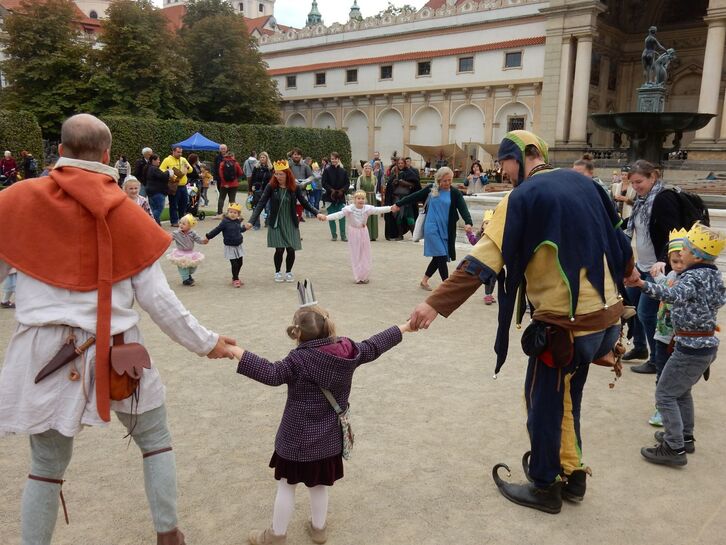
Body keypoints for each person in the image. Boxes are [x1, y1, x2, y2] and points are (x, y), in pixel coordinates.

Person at [0, 113, 236, 545]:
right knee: (156, 441)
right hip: (117, 351)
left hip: (41, 354)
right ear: (108, 155)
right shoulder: (127, 214)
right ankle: (169, 535)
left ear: (61, 150)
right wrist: (208, 344)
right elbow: (160, 302)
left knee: (46, 468)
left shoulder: (15, 201)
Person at [408, 130, 633, 514]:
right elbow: (621, 245)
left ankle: (546, 486)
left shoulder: (523, 197)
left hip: (564, 330)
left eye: (506, 162)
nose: (503, 170)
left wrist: (433, 304)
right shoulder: (587, 184)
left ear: (527, 155)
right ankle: (573, 474)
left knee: (542, 403)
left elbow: (481, 262)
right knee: (567, 400)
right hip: (607, 324)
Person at [229, 301, 412, 545]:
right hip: (328, 438)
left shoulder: (297, 360)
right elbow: (375, 345)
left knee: (286, 485)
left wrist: (236, 351)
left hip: (295, 439)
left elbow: (272, 374)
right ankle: (318, 529)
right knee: (319, 486)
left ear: (298, 334)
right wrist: (405, 327)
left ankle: (276, 535)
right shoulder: (349, 350)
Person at [625, 223, 726, 466]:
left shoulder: (692, 276)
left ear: (698, 255)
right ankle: (685, 437)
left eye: (687, 249)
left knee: (665, 394)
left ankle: (674, 447)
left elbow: (672, 295)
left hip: (690, 348)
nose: (681, 253)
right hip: (705, 345)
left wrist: (641, 284)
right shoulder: (713, 275)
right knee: (681, 391)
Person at [623, 159, 686, 374]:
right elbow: (633, 225)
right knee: (630, 305)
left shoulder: (662, 199)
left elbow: (674, 231)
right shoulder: (642, 201)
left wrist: (664, 260)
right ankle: (640, 347)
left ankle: (657, 359)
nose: (636, 186)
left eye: (639, 181)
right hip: (642, 264)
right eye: (632, 182)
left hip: (658, 268)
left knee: (647, 313)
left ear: (653, 177)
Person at [391, 167, 472, 290]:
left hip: (446, 229)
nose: (448, 183)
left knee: (439, 256)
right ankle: (447, 286)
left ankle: (424, 281)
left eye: (450, 180)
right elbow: (414, 196)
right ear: (439, 180)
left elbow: (463, 208)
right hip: (432, 226)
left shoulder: (454, 193)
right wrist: (398, 204)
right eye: (445, 180)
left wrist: (468, 222)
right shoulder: (432, 189)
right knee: (441, 254)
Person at [246, 160, 324, 283]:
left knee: (291, 248)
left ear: (288, 174)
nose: (278, 177)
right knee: (279, 249)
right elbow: (261, 203)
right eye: (276, 174)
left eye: (281, 174)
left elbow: (304, 202)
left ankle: (288, 271)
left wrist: (317, 213)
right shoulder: (271, 186)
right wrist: (251, 221)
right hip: (276, 221)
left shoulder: (295, 187)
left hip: (290, 221)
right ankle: (277, 272)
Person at [646, 229, 687, 427]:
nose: (678, 266)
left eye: (682, 261)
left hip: (676, 338)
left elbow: (670, 295)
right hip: (661, 334)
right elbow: (665, 288)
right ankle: (661, 407)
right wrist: (658, 277)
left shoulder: (688, 281)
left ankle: (670, 408)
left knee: (672, 376)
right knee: (661, 374)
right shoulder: (672, 274)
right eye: (674, 261)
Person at [325, 190, 391, 284]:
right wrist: (326, 217)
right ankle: (358, 277)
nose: (361, 200)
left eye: (362, 198)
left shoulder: (367, 208)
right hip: (354, 232)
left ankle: (364, 276)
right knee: (356, 254)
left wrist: (390, 208)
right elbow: (339, 215)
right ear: (354, 200)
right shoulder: (349, 209)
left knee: (365, 253)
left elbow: (378, 210)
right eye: (358, 198)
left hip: (364, 232)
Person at [205, 203, 248, 288]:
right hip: (230, 246)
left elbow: (240, 230)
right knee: (234, 264)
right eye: (231, 212)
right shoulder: (224, 222)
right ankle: (235, 279)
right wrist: (208, 236)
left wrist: (245, 228)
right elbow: (217, 230)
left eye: (235, 213)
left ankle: (235, 277)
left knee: (240, 263)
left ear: (238, 215)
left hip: (238, 245)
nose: (232, 214)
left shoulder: (237, 221)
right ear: (227, 212)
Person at [383, 157, 422, 241]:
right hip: (397, 198)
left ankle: (415, 235)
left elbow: (415, 185)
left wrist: (403, 182)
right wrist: (394, 183)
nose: (400, 165)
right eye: (399, 163)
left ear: (405, 164)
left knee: (409, 217)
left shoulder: (410, 173)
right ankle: (400, 235)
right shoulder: (394, 173)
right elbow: (390, 187)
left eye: (402, 163)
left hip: (407, 198)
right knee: (398, 217)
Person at [466, 210, 497, 304]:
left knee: (493, 278)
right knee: (488, 279)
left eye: (490, 223)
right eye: (486, 223)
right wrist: (469, 233)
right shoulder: (480, 235)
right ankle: (487, 295)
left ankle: (489, 294)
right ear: (482, 224)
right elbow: (474, 241)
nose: (488, 225)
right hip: (484, 260)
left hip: (494, 261)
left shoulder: (495, 235)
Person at [168, 214, 207, 286]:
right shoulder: (176, 233)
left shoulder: (193, 233)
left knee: (193, 266)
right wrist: (166, 239)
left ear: (190, 225)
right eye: (180, 223)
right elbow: (169, 238)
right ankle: (185, 279)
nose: (181, 225)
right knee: (183, 267)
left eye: (184, 224)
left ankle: (188, 275)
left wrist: (203, 241)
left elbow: (198, 239)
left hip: (190, 253)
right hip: (180, 253)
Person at [160, 147, 192, 227]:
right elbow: (161, 169)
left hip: (183, 185)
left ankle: (182, 220)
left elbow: (191, 169)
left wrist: (187, 167)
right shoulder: (167, 160)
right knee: (174, 204)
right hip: (174, 185)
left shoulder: (183, 159)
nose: (180, 154)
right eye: (178, 152)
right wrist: (169, 173)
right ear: (173, 151)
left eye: (181, 152)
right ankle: (174, 221)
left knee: (184, 203)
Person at [322, 152, 349, 242]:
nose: (333, 160)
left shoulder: (343, 171)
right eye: (332, 158)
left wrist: (342, 191)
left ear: (338, 159)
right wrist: (331, 190)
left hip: (341, 197)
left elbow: (347, 183)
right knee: (331, 217)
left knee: (342, 217)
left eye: (335, 158)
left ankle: (343, 235)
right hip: (330, 197)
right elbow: (324, 182)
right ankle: (334, 235)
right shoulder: (327, 170)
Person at [355, 163, 381, 241]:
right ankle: (364, 235)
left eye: (369, 168)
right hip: (363, 199)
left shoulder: (375, 178)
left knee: (372, 215)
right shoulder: (361, 178)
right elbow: (358, 189)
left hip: (372, 198)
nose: (367, 169)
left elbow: (375, 190)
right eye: (366, 168)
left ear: (371, 169)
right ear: (364, 169)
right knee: (364, 216)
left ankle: (372, 235)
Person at [249, 152, 273, 230]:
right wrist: (250, 189)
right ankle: (256, 224)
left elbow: (273, 179)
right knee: (256, 208)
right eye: (261, 157)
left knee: (268, 208)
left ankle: (268, 222)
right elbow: (252, 178)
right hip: (257, 190)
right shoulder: (256, 167)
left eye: (264, 157)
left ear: (267, 158)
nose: (262, 159)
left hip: (267, 190)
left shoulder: (271, 168)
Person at [145, 154, 171, 225]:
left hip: (151, 191)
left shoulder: (148, 168)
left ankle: (157, 223)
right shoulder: (154, 168)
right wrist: (168, 172)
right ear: (153, 160)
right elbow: (162, 176)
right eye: (158, 160)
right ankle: (151, 222)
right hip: (157, 192)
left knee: (153, 208)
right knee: (159, 209)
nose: (159, 161)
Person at [217, 151, 243, 217]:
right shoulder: (235, 163)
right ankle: (231, 213)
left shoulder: (222, 163)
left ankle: (219, 213)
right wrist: (235, 177)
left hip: (224, 184)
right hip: (234, 184)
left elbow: (220, 174)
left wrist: (224, 182)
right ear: (232, 156)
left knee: (221, 198)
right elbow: (240, 173)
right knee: (232, 199)